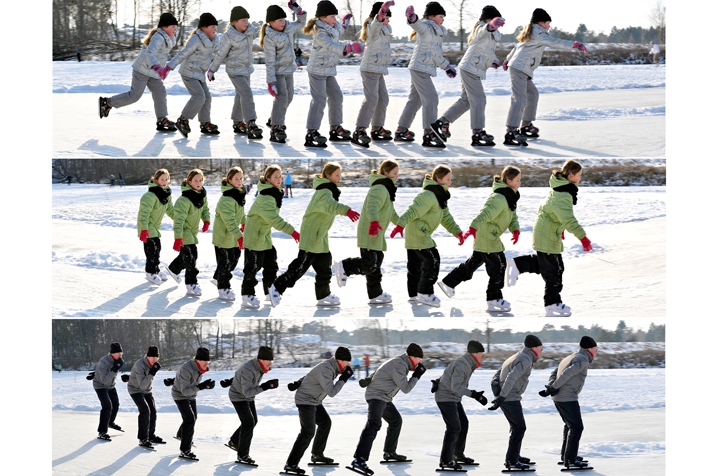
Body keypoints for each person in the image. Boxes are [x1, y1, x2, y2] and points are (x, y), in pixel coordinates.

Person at [505, 160, 591, 316]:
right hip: (547, 234)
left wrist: (560, 227)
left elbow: (554, 212)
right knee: (553, 271)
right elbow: (569, 219)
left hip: (548, 231)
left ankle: (518, 264)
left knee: (552, 266)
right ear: (570, 175)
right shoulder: (564, 194)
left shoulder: (560, 187)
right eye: (579, 175)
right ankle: (552, 304)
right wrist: (583, 238)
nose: (580, 179)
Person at [268, 162, 360, 307]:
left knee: (324, 266)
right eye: (336, 175)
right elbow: (331, 206)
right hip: (312, 235)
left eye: (340, 175)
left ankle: (323, 295)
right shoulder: (324, 192)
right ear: (327, 175)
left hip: (320, 236)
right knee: (300, 266)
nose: (339, 178)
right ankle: (277, 288)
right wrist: (347, 211)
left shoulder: (328, 190)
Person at [438, 165, 521, 312]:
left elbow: (512, 216)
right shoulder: (499, 198)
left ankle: (448, 283)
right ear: (508, 181)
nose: (520, 183)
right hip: (487, 237)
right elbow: (485, 214)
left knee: (473, 264)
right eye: (518, 180)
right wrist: (473, 227)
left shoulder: (510, 197)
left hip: (487, 236)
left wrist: (515, 229)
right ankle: (494, 299)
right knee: (499, 266)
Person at [502, 8, 589, 146]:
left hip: (521, 68)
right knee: (519, 99)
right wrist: (574, 44)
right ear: (541, 22)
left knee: (532, 94)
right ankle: (511, 130)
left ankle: (526, 125)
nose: (550, 26)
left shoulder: (532, 31)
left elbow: (518, 47)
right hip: (519, 68)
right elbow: (554, 42)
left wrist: (508, 59)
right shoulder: (539, 33)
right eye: (548, 23)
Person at [391, 164, 462, 308]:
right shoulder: (428, 195)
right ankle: (424, 292)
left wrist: (457, 232)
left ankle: (414, 294)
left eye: (450, 179)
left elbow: (446, 218)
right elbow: (412, 211)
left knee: (415, 266)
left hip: (417, 234)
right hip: (418, 234)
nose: (450, 182)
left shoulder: (439, 196)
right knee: (432, 259)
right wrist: (400, 224)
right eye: (448, 179)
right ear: (438, 179)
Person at [351, 343, 426, 475]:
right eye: (419, 359)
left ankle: (389, 452)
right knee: (374, 424)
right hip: (377, 396)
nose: (420, 363)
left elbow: (381, 369)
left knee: (396, 420)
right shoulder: (400, 364)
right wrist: (416, 376)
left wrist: (369, 378)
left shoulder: (399, 361)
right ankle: (359, 459)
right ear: (413, 357)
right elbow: (406, 388)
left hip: (384, 397)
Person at [435, 6, 505, 147]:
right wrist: (490, 26)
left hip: (471, 68)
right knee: (479, 99)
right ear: (488, 20)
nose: (496, 25)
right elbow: (483, 31)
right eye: (494, 21)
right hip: (470, 69)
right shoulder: (482, 29)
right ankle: (477, 133)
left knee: (466, 100)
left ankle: (442, 122)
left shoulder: (491, 36)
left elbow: (486, 52)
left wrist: (494, 61)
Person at [99, 13, 178, 131]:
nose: (175, 30)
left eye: (176, 28)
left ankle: (161, 119)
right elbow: (150, 53)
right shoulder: (158, 37)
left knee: (160, 92)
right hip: (142, 70)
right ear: (164, 27)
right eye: (173, 27)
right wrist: (158, 68)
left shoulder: (169, 38)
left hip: (152, 72)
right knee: (134, 96)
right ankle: (107, 103)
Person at [334, 159, 399, 304]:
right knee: (370, 264)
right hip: (370, 230)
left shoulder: (386, 190)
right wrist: (375, 221)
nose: (397, 177)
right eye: (394, 173)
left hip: (377, 233)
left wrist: (402, 224)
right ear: (386, 173)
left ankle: (376, 294)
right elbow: (372, 207)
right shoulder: (379, 188)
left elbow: (392, 213)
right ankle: (345, 266)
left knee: (377, 261)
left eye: (397, 174)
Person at [283, 347, 353, 474]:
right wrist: (343, 379)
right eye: (346, 361)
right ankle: (291, 464)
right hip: (305, 400)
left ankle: (317, 454)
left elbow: (311, 374)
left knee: (325, 422)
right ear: (338, 360)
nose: (348, 364)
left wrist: (298, 382)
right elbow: (331, 392)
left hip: (314, 400)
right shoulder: (327, 368)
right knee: (308, 432)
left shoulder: (332, 367)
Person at [396, 2, 457, 148]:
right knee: (431, 98)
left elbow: (435, 54)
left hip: (422, 67)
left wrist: (446, 66)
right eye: (440, 16)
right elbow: (418, 26)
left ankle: (401, 130)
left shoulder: (437, 33)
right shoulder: (427, 27)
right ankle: (429, 133)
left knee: (415, 100)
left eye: (443, 17)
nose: (443, 19)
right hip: (419, 68)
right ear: (431, 17)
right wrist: (412, 18)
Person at [303, 1, 363, 147]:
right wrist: (348, 48)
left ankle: (335, 128)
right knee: (319, 100)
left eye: (335, 16)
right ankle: (311, 132)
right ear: (322, 18)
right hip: (317, 70)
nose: (334, 19)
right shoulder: (320, 31)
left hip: (328, 70)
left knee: (336, 96)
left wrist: (345, 22)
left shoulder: (332, 26)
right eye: (332, 16)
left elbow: (340, 30)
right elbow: (331, 45)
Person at [241, 164, 299, 309]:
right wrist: (292, 231)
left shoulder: (273, 193)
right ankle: (247, 294)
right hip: (254, 236)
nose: (279, 180)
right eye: (276, 177)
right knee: (253, 266)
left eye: (280, 177)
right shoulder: (266, 197)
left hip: (264, 234)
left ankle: (269, 291)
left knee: (271, 263)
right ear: (268, 179)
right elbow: (275, 220)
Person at [539, 336, 597, 470]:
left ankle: (566, 455)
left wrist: (551, 386)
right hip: (567, 397)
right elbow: (566, 374)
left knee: (569, 425)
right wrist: (552, 388)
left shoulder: (571, 356)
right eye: (595, 348)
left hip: (560, 397)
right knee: (577, 427)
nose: (596, 351)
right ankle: (570, 459)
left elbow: (555, 371)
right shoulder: (582, 359)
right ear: (589, 349)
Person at [488, 334, 542, 471]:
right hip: (509, 397)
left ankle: (515, 456)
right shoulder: (525, 359)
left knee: (516, 427)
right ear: (534, 348)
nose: (542, 351)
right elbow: (511, 377)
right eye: (540, 348)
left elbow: (499, 372)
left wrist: (500, 395)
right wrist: (501, 397)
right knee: (519, 428)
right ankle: (512, 461)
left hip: (509, 396)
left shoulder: (519, 355)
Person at [207, 6, 262, 138]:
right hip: (234, 71)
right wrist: (212, 69)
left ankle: (238, 122)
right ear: (234, 22)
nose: (246, 22)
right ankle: (251, 123)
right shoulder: (228, 37)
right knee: (247, 94)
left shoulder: (250, 32)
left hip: (246, 69)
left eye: (247, 20)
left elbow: (263, 32)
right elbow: (221, 54)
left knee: (240, 95)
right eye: (243, 20)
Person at [433, 340, 488, 470]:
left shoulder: (468, 363)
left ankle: (457, 454)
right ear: (474, 353)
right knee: (454, 427)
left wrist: (438, 381)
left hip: (453, 397)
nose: (483, 356)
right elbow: (456, 386)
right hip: (445, 397)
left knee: (463, 423)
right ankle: (445, 460)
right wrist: (474, 395)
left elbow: (450, 376)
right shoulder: (463, 364)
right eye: (481, 354)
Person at [221, 346, 279, 466]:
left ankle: (234, 441)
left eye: (272, 361)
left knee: (253, 421)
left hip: (248, 396)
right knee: (248, 422)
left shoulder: (259, 367)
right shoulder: (249, 368)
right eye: (269, 361)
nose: (271, 364)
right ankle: (243, 455)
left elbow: (245, 380)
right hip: (238, 396)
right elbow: (246, 391)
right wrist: (265, 386)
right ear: (261, 360)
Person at [167, 13, 221, 137]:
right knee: (199, 96)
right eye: (212, 26)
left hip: (199, 74)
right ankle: (183, 120)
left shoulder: (215, 41)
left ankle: (205, 123)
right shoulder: (196, 39)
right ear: (204, 28)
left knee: (207, 97)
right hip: (188, 72)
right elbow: (183, 53)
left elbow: (219, 55)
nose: (215, 29)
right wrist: (169, 66)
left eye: (215, 27)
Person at [261, 3, 307, 144]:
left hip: (289, 70)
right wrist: (271, 82)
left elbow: (301, 23)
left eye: (283, 19)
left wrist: (298, 11)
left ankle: (274, 118)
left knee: (289, 97)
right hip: (278, 73)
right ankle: (276, 127)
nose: (283, 22)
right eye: (279, 20)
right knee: (282, 97)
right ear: (271, 22)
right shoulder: (269, 38)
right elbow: (269, 61)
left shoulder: (288, 28)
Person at [352, 1, 395, 147]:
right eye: (386, 18)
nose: (387, 21)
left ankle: (376, 128)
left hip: (378, 69)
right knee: (371, 99)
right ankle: (359, 129)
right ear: (379, 16)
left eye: (388, 18)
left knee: (383, 98)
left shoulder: (385, 30)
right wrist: (381, 14)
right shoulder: (373, 27)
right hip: (369, 69)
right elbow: (376, 24)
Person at [164, 169, 211, 297]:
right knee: (191, 256)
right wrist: (178, 238)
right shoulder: (183, 200)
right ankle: (191, 284)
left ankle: (174, 269)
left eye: (200, 180)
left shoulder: (202, 195)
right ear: (189, 181)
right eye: (195, 180)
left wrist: (206, 220)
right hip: (184, 231)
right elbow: (178, 221)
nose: (198, 183)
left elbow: (205, 209)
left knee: (187, 255)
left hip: (192, 230)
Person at [172, 347, 215, 460]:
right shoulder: (186, 369)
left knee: (193, 417)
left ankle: (181, 435)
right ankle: (185, 450)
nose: (207, 365)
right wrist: (201, 386)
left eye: (208, 362)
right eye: (205, 362)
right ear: (198, 360)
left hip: (191, 395)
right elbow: (184, 390)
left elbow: (193, 386)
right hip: (180, 395)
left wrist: (207, 386)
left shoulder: (200, 368)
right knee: (189, 419)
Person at [212, 166, 246, 301]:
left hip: (232, 236)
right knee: (225, 263)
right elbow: (230, 221)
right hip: (223, 236)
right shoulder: (227, 198)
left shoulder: (238, 194)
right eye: (236, 179)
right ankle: (223, 288)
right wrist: (239, 236)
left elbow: (240, 213)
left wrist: (244, 222)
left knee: (233, 259)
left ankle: (217, 278)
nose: (239, 181)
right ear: (229, 180)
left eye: (241, 178)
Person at [137, 168, 174, 285]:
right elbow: (144, 214)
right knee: (152, 249)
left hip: (155, 226)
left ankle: (156, 270)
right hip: (146, 225)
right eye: (162, 179)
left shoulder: (166, 195)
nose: (164, 182)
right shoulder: (149, 196)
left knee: (157, 248)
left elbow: (171, 210)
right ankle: (150, 272)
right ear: (156, 179)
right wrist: (143, 229)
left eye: (166, 179)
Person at [127, 345, 165, 449]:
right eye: (152, 357)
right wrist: (152, 372)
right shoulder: (140, 365)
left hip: (147, 390)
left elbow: (146, 385)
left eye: (156, 357)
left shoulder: (154, 363)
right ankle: (143, 438)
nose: (155, 360)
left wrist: (152, 372)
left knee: (153, 411)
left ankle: (150, 435)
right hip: (135, 390)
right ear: (147, 357)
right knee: (145, 411)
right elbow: (142, 384)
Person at [92, 342, 124, 441]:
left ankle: (110, 422)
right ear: (112, 354)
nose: (120, 355)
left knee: (116, 404)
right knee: (107, 406)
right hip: (100, 386)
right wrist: (115, 369)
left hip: (110, 385)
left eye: (121, 353)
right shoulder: (104, 361)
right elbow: (104, 379)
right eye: (118, 353)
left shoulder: (117, 360)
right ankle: (102, 431)